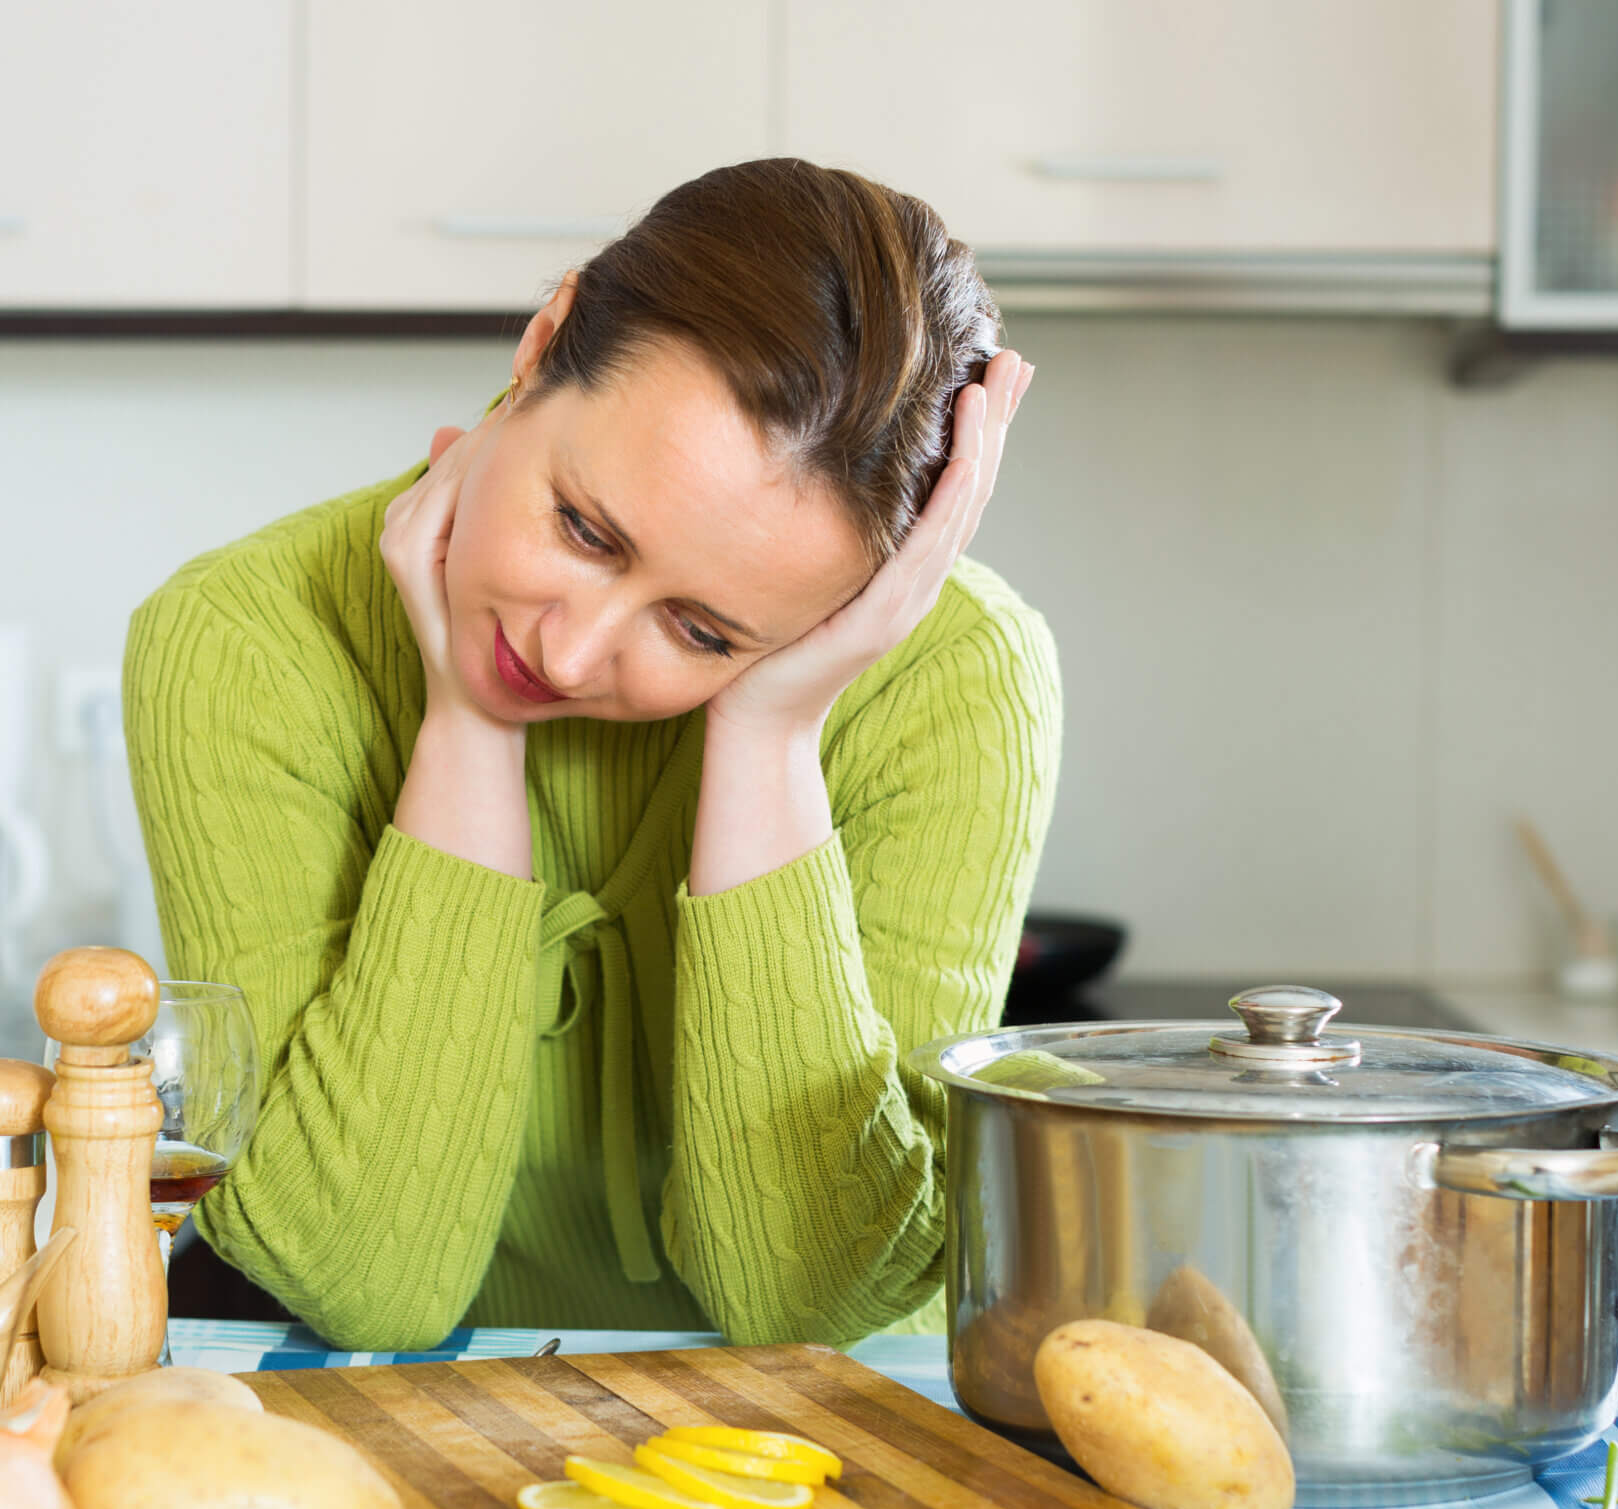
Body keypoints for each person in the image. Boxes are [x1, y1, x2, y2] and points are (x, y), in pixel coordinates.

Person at [124, 158, 1060, 1350]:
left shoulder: (954, 674)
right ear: (543, 339)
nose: (567, 653)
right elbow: (367, 1282)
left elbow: (804, 1305)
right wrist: (468, 724)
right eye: (582, 528)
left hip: (828, 1461)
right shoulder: (244, 640)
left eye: (703, 630)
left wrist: (770, 732)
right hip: (409, 1440)